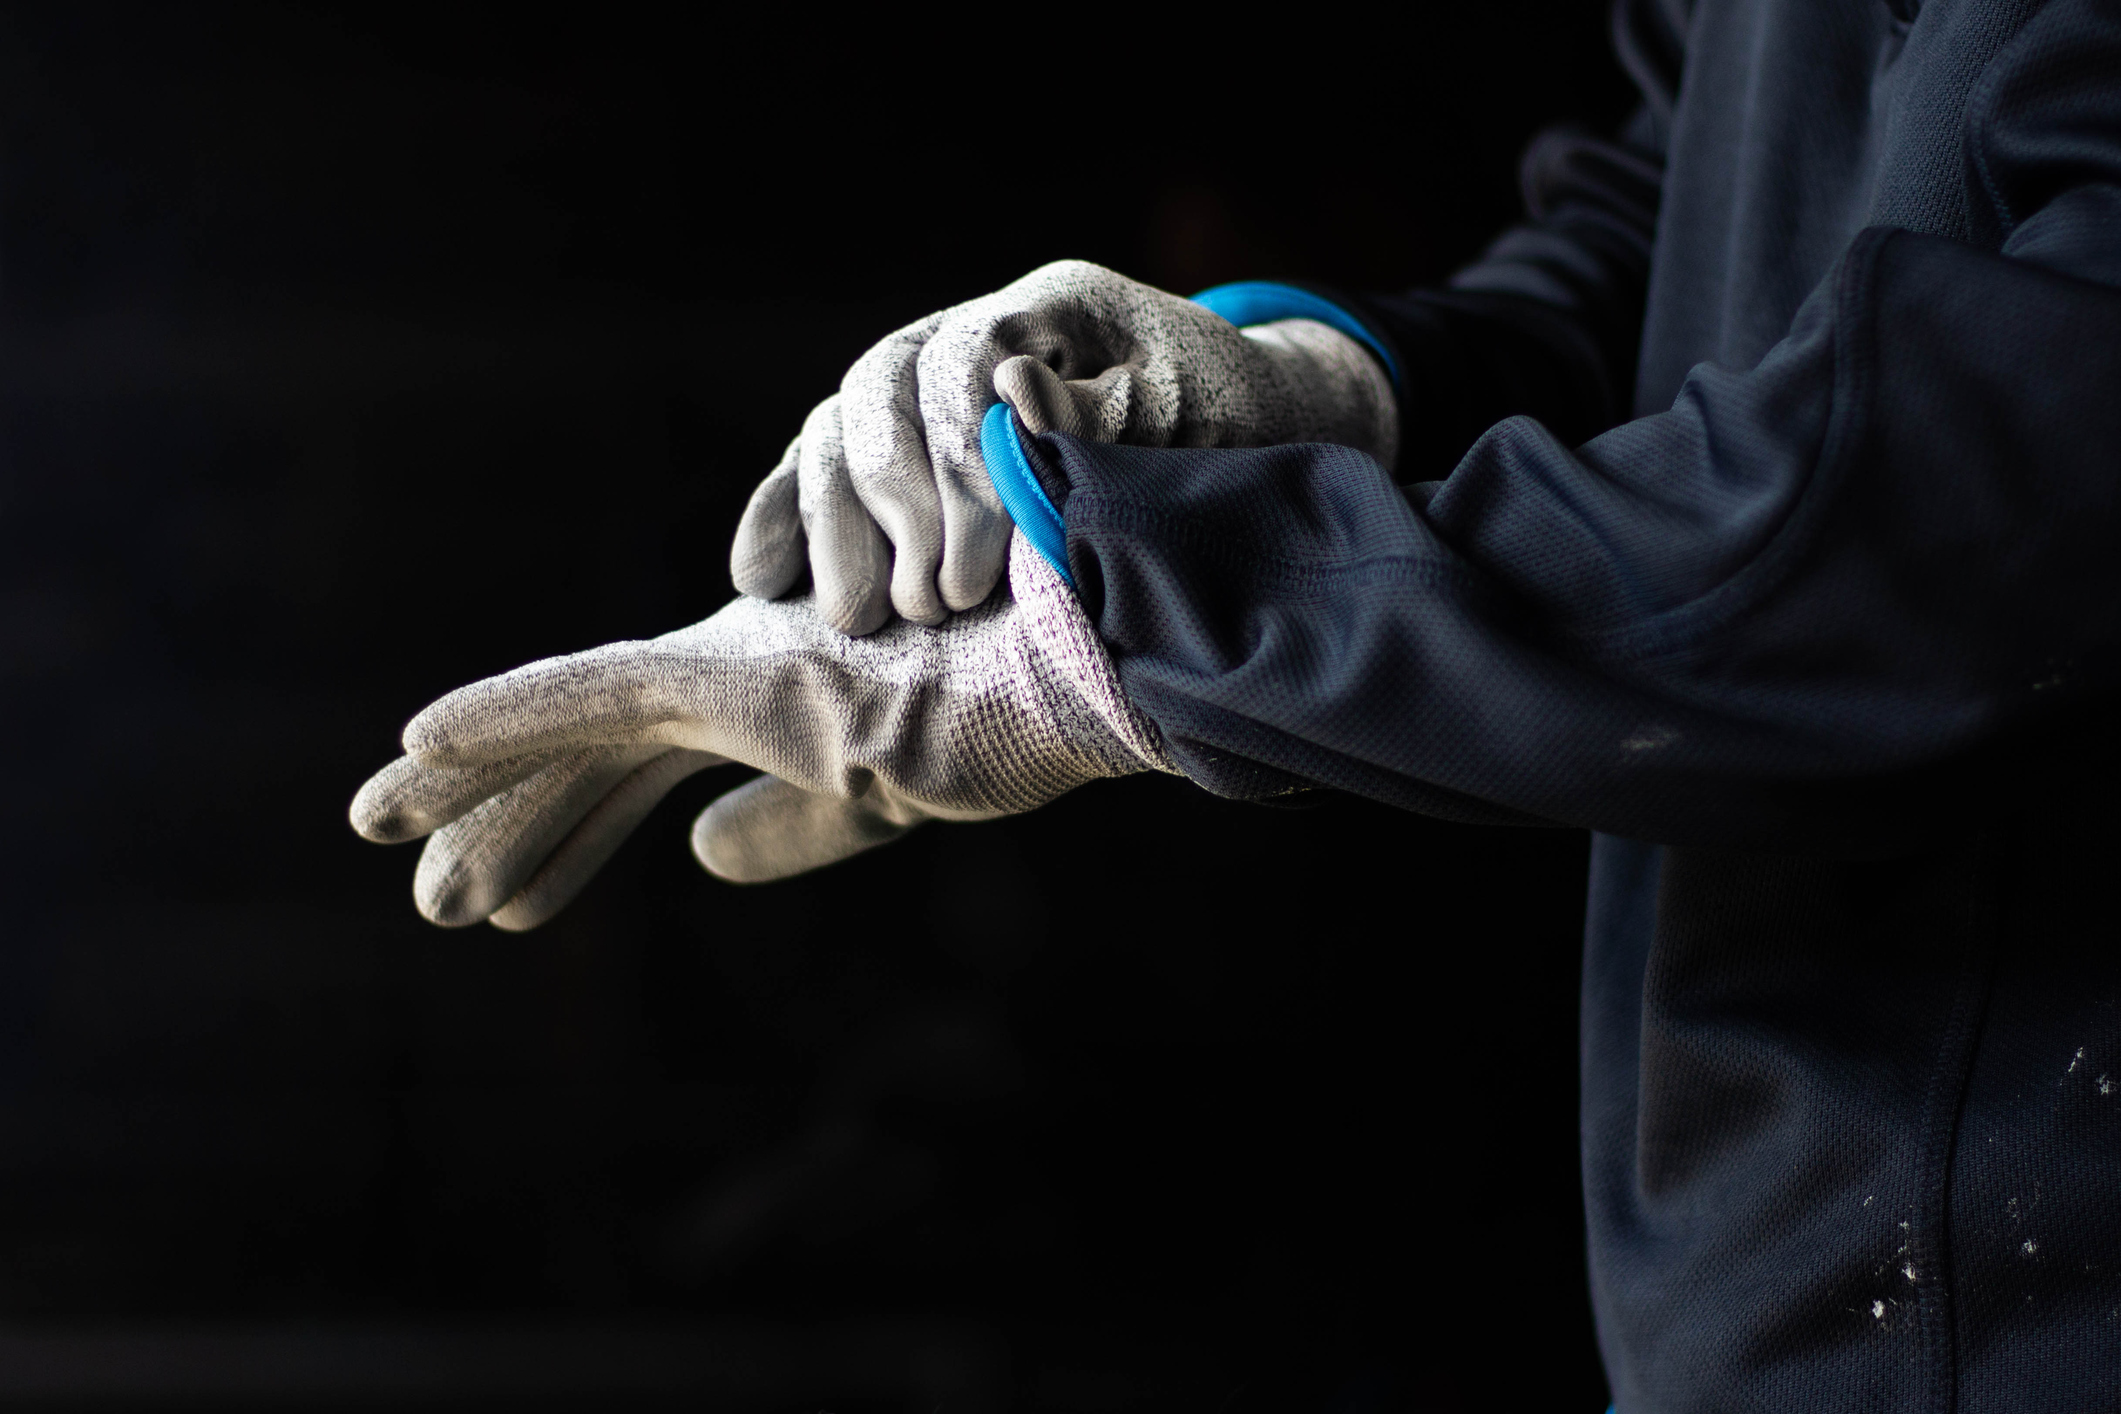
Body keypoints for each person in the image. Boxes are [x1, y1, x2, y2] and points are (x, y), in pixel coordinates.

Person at [351, 0, 2121, 1405]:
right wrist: (1307, 388)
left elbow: (1981, 483)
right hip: (1757, 1291)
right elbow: (1682, 225)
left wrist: (1125, 619)